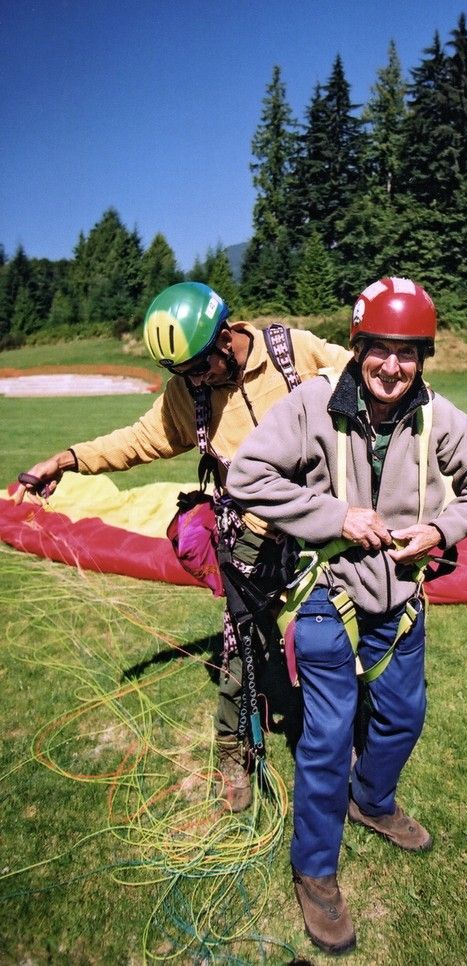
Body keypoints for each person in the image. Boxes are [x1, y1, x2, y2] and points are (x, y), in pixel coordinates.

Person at [226, 276, 467, 954]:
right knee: (325, 737)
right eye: (379, 349)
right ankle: (315, 871)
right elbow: (247, 477)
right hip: (328, 594)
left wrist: (442, 531)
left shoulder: (438, 418)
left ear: (424, 357)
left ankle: (372, 799)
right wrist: (334, 516)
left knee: (404, 714)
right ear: (356, 347)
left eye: (408, 352)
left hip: (403, 598)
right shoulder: (313, 405)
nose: (392, 365)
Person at [13, 281, 350, 812]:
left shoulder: (291, 351)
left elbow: (360, 374)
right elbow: (138, 439)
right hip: (254, 535)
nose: (195, 379)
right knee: (240, 646)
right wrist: (66, 458)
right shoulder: (187, 393)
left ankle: (338, 743)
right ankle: (233, 754)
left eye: (200, 365)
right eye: (183, 373)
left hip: (324, 524)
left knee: (331, 636)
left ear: (225, 337)